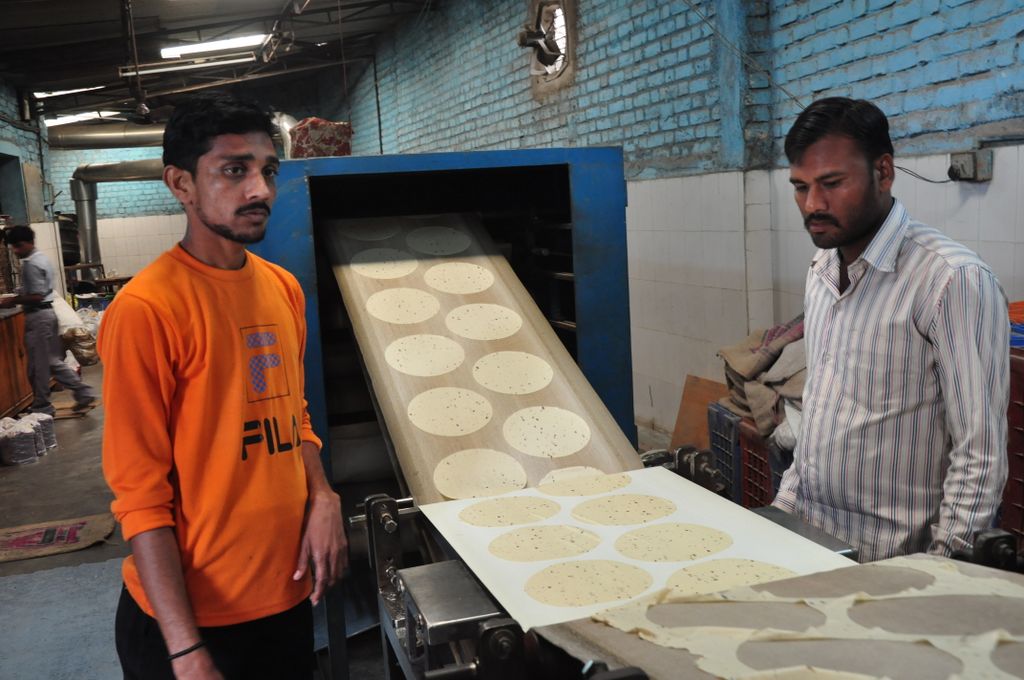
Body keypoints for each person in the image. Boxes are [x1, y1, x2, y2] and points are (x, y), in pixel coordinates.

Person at [100, 93, 347, 680]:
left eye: (268, 170)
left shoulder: (282, 289)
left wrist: (322, 494)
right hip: (192, 625)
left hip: (285, 600)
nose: (260, 190)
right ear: (181, 184)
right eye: (234, 170)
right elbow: (139, 495)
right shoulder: (147, 309)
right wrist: (185, 652)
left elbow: (292, 415)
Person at [773, 97, 1009, 563]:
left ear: (883, 172)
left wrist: (943, 572)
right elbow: (819, 407)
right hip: (812, 537)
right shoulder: (822, 269)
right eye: (800, 187)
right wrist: (783, 510)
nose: (813, 204)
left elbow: (979, 453)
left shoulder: (950, 279)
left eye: (831, 183)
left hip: (895, 560)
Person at [0, 225, 97, 415]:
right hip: (47, 315)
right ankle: (83, 393)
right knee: (51, 361)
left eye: (18, 246)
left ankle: (42, 406)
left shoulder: (31, 265)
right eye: (13, 247)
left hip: (38, 317)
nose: (16, 251)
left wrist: (12, 300)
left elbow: (37, 296)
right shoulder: (41, 258)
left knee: (38, 367)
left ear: (30, 242)